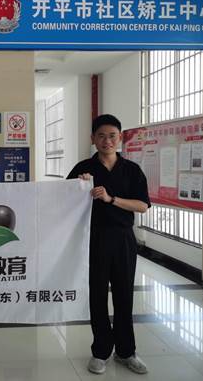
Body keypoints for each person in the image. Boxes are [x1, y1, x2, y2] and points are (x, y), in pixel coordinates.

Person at [66, 114, 150, 375]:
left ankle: (126, 352)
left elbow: (142, 205)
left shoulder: (132, 170)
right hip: (94, 239)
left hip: (123, 238)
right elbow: (63, 201)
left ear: (120, 138)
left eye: (112, 136)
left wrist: (112, 199)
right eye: (101, 136)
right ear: (93, 138)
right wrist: (77, 188)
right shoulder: (83, 168)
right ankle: (101, 351)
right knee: (97, 295)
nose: (107, 141)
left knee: (124, 295)